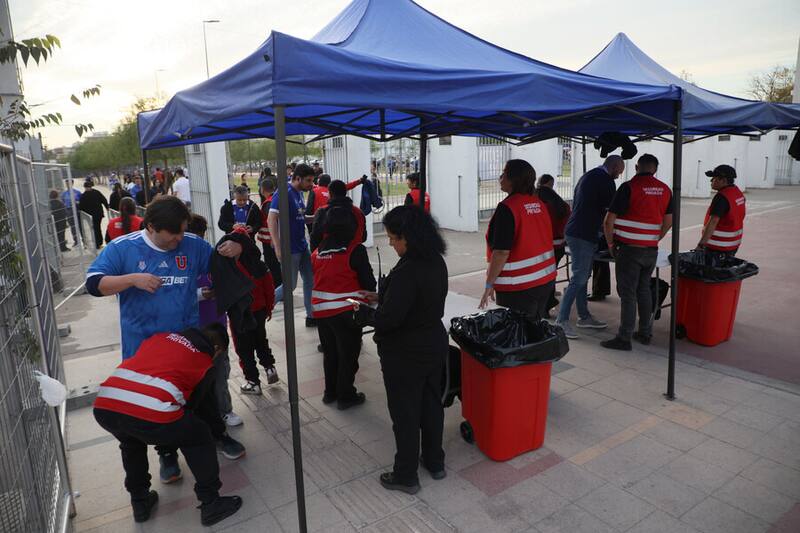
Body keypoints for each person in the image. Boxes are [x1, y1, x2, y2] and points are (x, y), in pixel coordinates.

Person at [85, 196, 246, 482]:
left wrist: (237, 246)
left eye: (183, 231)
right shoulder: (123, 249)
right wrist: (132, 279)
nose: (179, 239)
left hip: (188, 345)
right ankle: (166, 454)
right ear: (151, 227)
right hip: (144, 351)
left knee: (203, 396)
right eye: (173, 234)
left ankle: (218, 436)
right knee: (158, 405)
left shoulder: (193, 245)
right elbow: (94, 284)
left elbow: (219, 264)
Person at [93, 324, 244, 526]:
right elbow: (194, 407)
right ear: (216, 348)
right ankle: (211, 503)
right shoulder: (204, 361)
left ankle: (140, 502)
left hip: (106, 404)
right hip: (151, 410)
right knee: (199, 435)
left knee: (131, 442)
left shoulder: (159, 337)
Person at [363, 206, 448, 495]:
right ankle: (435, 461)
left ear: (408, 237)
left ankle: (406, 474)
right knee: (431, 405)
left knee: (405, 413)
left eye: (392, 238)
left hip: (405, 352)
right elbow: (416, 300)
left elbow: (389, 319)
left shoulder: (408, 270)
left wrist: (365, 314)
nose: (390, 243)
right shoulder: (435, 260)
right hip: (433, 344)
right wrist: (382, 296)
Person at [602, 153, 673, 350]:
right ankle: (644, 332)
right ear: (655, 170)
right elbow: (668, 221)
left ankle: (624, 338)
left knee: (627, 293)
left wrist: (609, 244)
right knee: (643, 289)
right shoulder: (666, 190)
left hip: (628, 250)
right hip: (650, 250)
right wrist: (653, 238)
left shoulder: (628, 187)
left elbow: (608, 220)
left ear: (636, 167)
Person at [311, 206, 376, 410]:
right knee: (348, 354)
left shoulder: (318, 251)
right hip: (347, 312)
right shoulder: (354, 250)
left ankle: (329, 393)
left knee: (330, 353)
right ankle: (346, 395)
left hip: (321, 313)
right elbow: (368, 282)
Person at [555, 155, 625, 339]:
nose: (620, 175)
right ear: (615, 167)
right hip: (582, 234)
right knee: (579, 278)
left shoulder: (589, 175)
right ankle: (561, 321)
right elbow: (611, 213)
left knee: (583, 276)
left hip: (576, 231)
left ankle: (584, 316)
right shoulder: (606, 182)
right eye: (620, 170)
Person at [480, 160, 556, 320]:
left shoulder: (508, 208)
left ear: (513, 180)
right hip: (544, 281)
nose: (500, 178)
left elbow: (501, 252)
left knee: (516, 335)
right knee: (533, 330)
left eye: (503, 174)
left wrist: (489, 283)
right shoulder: (538, 204)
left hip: (518, 287)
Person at [188, 214, 243, 427]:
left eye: (201, 237)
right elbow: (176, 295)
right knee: (197, 375)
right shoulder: (182, 263)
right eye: (195, 237)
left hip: (217, 326)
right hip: (193, 328)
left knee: (221, 371)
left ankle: (225, 410)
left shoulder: (214, 258)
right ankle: (199, 415)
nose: (199, 243)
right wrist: (201, 294)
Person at [267, 163, 316, 327]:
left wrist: (316, 217)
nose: (311, 184)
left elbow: (300, 217)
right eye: (308, 180)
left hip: (302, 246)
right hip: (290, 249)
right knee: (290, 285)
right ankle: (263, 305)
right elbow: (271, 218)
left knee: (310, 280)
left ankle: (311, 316)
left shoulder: (299, 193)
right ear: (297, 178)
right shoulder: (284, 193)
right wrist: (278, 246)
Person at [536, 174, 571, 318]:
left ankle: (543, 306)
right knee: (550, 275)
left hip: (541, 247)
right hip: (558, 247)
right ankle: (548, 303)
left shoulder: (538, 204)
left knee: (540, 278)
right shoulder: (562, 205)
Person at [697, 164, 745, 260]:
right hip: (733, 245)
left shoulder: (722, 197)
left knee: (713, 273)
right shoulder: (737, 192)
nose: (711, 181)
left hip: (717, 247)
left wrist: (701, 245)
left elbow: (713, 222)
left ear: (723, 180)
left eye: (714, 178)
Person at [310, 179, 367, 252]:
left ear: (329, 194)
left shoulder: (322, 212)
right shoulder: (358, 212)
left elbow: (315, 239)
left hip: (327, 258)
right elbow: (363, 237)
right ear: (345, 192)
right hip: (354, 255)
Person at [257, 178, 282, 287]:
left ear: (262, 189)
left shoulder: (268, 203)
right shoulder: (275, 199)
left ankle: (278, 289)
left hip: (270, 241)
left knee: (273, 265)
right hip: (273, 239)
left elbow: (273, 221)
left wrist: (273, 238)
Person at [79, 178, 109, 250]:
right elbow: (104, 200)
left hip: (90, 216)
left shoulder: (83, 196)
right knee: (97, 228)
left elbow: (81, 207)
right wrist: (107, 207)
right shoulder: (96, 192)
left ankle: (96, 243)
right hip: (98, 215)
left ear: (85, 187)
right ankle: (99, 243)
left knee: (94, 229)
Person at [61, 179, 82, 246]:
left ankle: (84, 241)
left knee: (80, 226)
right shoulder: (64, 194)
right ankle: (76, 241)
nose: (67, 185)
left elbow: (82, 201)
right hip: (69, 211)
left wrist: (78, 202)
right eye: (66, 184)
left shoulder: (78, 192)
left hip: (77, 210)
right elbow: (62, 202)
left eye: (69, 183)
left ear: (72, 183)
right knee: (72, 227)